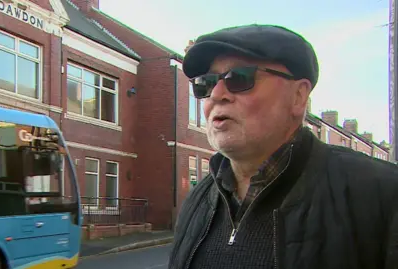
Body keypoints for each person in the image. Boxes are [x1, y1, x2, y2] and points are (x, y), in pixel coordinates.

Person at [168, 24, 398, 269]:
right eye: (206, 83)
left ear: (299, 97)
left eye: (239, 77)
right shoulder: (197, 199)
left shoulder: (382, 195)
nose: (216, 94)